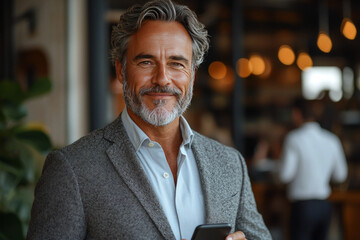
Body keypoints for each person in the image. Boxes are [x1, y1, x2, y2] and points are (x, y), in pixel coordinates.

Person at [27, 0, 271, 239]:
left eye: (176, 63)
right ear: (121, 70)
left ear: (193, 75)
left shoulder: (229, 163)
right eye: (146, 62)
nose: (163, 78)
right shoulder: (72, 169)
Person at [279, 98, 348, 240]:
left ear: (297, 114)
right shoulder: (331, 139)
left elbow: (285, 175)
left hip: (302, 206)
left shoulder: (294, 138)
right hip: (325, 206)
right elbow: (341, 175)